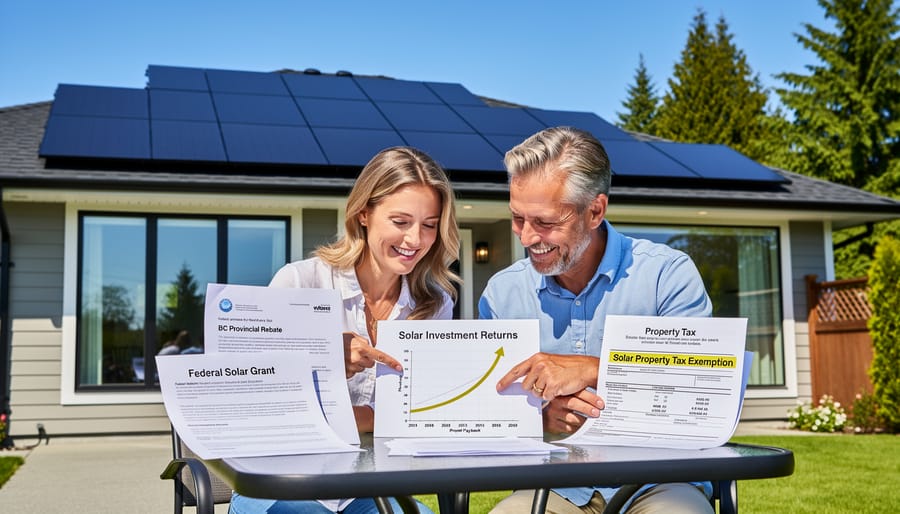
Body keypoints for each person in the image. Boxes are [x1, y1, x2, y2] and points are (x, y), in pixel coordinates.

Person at [479, 127, 714, 514]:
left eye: (545, 222)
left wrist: (592, 369)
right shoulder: (502, 295)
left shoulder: (666, 275)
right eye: (518, 218)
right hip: (551, 486)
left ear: (595, 211)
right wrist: (537, 419)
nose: (526, 237)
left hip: (661, 479)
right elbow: (486, 409)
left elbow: (698, 389)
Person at [229, 146, 461, 514]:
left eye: (429, 225)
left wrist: (361, 418)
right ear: (364, 213)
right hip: (285, 481)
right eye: (400, 222)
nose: (415, 240)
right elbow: (256, 401)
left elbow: (424, 413)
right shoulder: (300, 282)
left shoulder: (434, 304)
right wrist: (323, 356)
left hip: (368, 490)